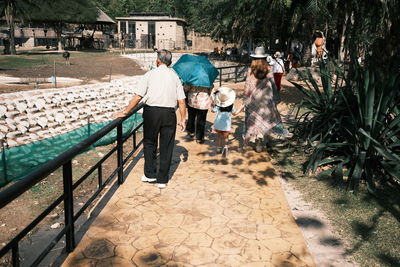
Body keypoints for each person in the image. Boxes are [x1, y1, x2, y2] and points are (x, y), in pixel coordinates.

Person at [114, 49, 186, 189]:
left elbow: (138, 96)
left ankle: (150, 174)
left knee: (150, 142)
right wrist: (183, 119)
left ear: (158, 60)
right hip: (169, 113)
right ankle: (162, 179)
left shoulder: (150, 74)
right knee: (167, 146)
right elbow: (182, 101)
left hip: (152, 112)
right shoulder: (175, 76)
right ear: (170, 62)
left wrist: (125, 111)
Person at [237, 46, 286, 152]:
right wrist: (276, 98)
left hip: (254, 100)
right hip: (266, 100)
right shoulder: (269, 69)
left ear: (254, 58)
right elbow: (273, 85)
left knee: (255, 121)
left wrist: (245, 99)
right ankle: (265, 138)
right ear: (264, 58)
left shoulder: (250, 70)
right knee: (266, 119)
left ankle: (258, 141)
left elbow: (247, 86)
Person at [211, 87, 237, 157]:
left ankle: (218, 149)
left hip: (218, 124)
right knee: (226, 138)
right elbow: (234, 113)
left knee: (219, 137)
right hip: (226, 125)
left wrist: (212, 105)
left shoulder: (218, 106)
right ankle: (225, 147)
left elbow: (212, 111)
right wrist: (241, 109)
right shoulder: (231, 106)